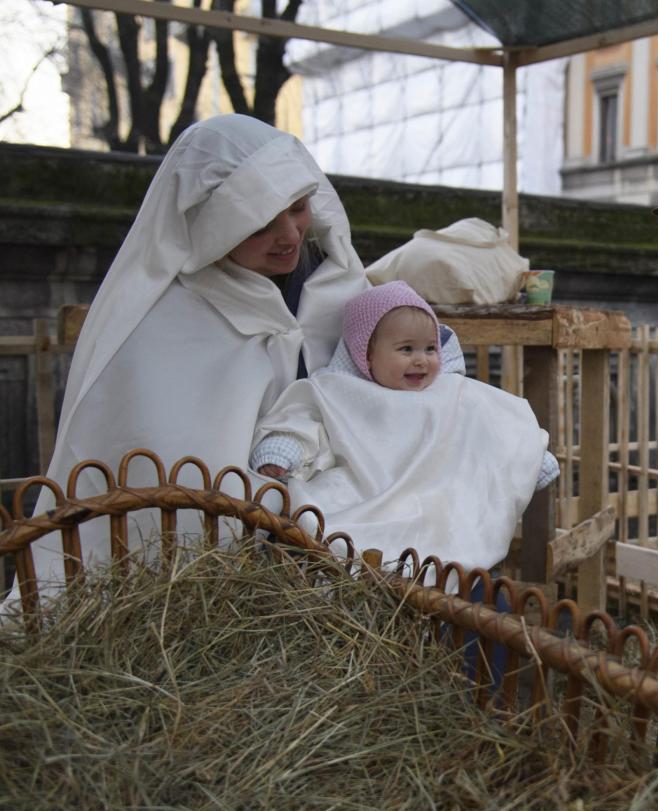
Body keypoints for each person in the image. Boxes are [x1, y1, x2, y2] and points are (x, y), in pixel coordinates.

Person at [7, 114, 399, 605]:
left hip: (335, 545)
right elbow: (166, 481)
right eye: (259, 225)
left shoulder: (332, 286)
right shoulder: (159, 323)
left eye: (298, 208)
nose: (290, 235)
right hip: (207, 584)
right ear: (211, 228)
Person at [248, 280, 558, 572]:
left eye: (430, 349)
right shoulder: (340, 392)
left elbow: (494, 429)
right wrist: (282, 452)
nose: (421, 361)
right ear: (366, 354)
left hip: (436, 496)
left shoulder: (450, 392)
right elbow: (307, 423)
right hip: (364, 491)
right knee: (332, 512)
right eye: (406, 349)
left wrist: (529, 458)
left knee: (450, 521)